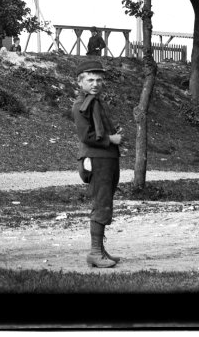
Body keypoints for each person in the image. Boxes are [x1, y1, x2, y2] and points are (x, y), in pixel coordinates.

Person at [71, 56, 123, 268]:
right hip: (97, 158)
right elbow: (87, 136)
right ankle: (94, 252)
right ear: (80, 82)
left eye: (98, 80)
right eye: (90, 80)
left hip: (108, 157)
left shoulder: (96, 103)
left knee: (106, 202)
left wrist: (114, 134)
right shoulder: (81, 105)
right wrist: (110, 139)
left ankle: (100, 250)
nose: (95, 84)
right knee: (101, 204)